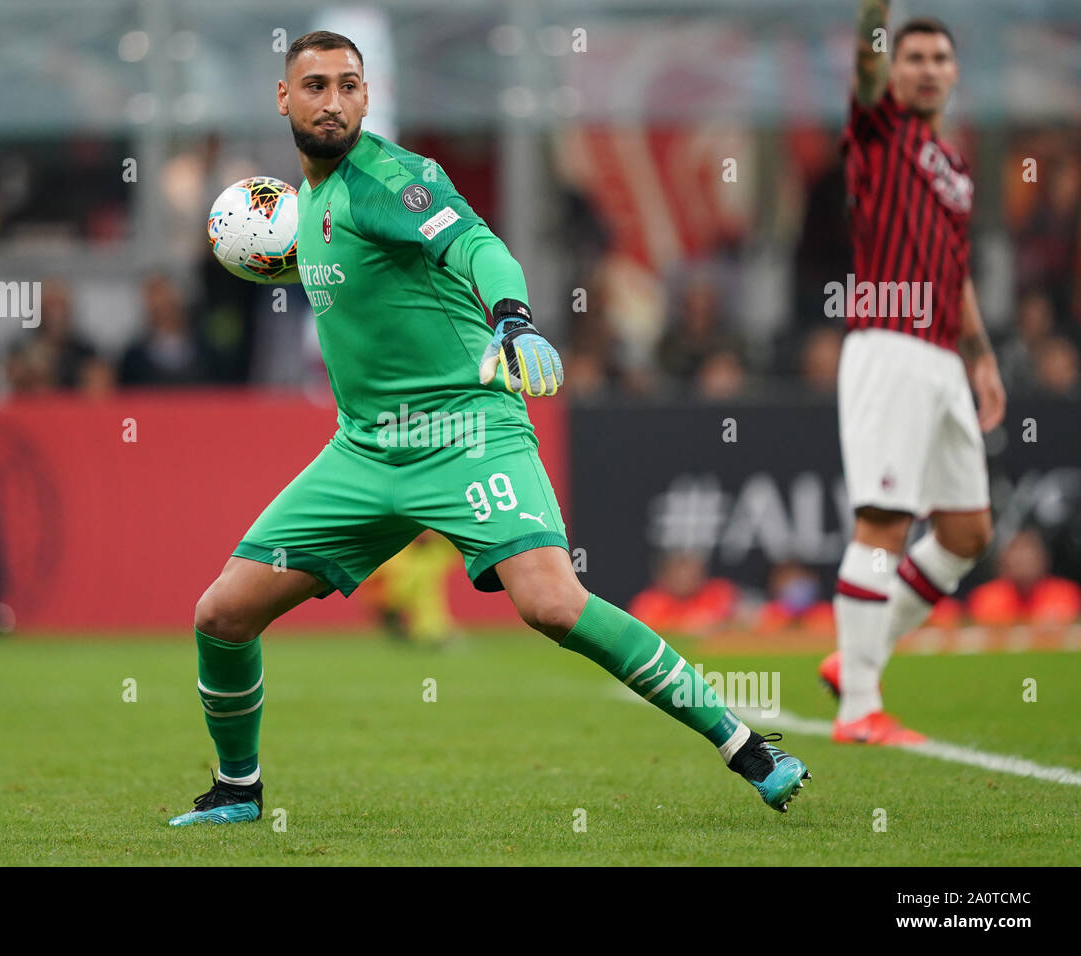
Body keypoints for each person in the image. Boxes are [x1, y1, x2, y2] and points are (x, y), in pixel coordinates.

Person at [169, 31, 810, 828]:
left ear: (367, 98)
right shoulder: (310, 208)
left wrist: (511, 317)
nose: (332, 101)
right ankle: (237, 791)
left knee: (551, 605)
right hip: (366, 448)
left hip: (467, 431)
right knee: (222, 615)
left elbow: (477, 244)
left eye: (347, 85)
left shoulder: (392, 179)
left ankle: (748, 746)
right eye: (314, 86)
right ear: (283, 97)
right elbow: (353, 277)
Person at [819, 6, 1006, 744]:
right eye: (914, 57)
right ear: (893, 70)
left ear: (955, 73)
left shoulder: (954, 167)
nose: (928, 68)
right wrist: (875, 14)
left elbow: (956, 273)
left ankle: (855, 658)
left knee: (967, 531)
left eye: (939, 58)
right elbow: (864, 66)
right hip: (887, 343)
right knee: (883, 526)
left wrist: (981, 355)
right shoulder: (878, 128)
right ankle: (858, 707)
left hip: (941, 355)